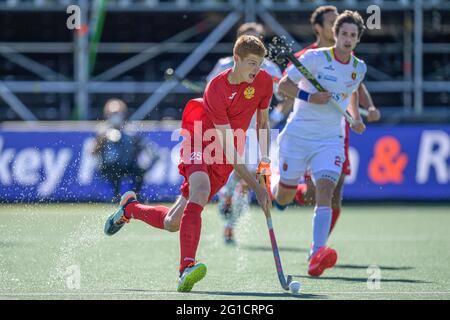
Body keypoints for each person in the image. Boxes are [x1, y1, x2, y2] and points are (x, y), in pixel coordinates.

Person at [104, 35, 273, 292]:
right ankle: (186, 268)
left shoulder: (263, 82)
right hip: (199, 138)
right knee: (201, 190)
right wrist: (257, 188)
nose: (256, 70)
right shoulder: (215, 88)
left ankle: (131, 208)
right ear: (236, 59)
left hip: (227, 149)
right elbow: (226, 146)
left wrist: (264, 166)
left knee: (173, 222)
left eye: (259, 64)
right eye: (251, 63)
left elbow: (262, 124)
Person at [274, 10, 367, 277]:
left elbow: (349, 96)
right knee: (284, 197)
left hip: (330, 139)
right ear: (335, 35)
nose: (347, 39)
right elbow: (283, 86)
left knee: (325, 190)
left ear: (357, 39)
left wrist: (356, 118)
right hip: (298, 135)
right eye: (344, 34)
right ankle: (273, 182)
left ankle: (316, 254)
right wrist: (308, 96)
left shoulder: (359, 68)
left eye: (353, 35)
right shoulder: (314, 58)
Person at [207, 22, 284, 245]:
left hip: (254, 129)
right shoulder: (223, 64)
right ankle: (227, 194)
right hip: (228, 128)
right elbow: (212, 93)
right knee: (240, 173)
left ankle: (230, 225)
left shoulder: (269, 70)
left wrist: (276, 115)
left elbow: (284, 98)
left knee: (246, 175)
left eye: (257, 38)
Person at [92, 99, 159, 202]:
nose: (116, 116)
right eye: (113, 113)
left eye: (118, 113)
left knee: (139, 172)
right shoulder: (102, 130)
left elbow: (147, 148)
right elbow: (93, 152)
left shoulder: (130, 130)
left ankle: (135, 197)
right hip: (111, 166)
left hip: (129, 164)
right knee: (113, 171)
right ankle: (116, 196)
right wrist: (102, 139)